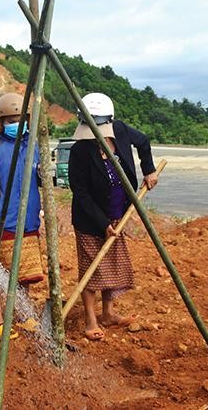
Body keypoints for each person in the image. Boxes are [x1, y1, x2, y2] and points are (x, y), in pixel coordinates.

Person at [68, 92, 157, 341]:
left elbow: (144, 142)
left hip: (119, 214)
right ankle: (90, 319)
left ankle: (108, 313)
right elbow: (81, 192)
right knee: (91, 270)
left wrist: (149, 170)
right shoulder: (80, 151)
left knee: (112, 266)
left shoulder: (121, 131)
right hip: (89, 220)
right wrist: (102, 223)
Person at [0, 93, 45, 340]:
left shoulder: (35, 146)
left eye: (20, 119)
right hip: (3, 220)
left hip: (29, 220)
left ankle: (24, 315)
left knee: (25, 272)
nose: (15, 124)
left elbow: (40, 180)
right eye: (9, 120)